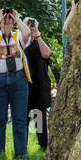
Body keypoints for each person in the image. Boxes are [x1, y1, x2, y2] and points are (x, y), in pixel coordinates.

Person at [0, 6, 31, 159]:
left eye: (9, 20)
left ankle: (20, 153)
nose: (7, 22)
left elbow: (28, 33)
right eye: (5, 21)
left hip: (18, 79)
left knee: (19, 119)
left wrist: (16, 19)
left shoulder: (17, 36)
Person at [24, 17, 55, 150]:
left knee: (40, 117)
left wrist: (37, 35)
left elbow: (47, 54)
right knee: (23, 118)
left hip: (39, 86)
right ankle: (22, 145)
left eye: (33, 25)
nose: (30, 27)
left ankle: (43, 145)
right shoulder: (21, 42)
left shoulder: (39, 42)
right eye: (28, 25)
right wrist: (26, 33)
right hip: (25, 86)